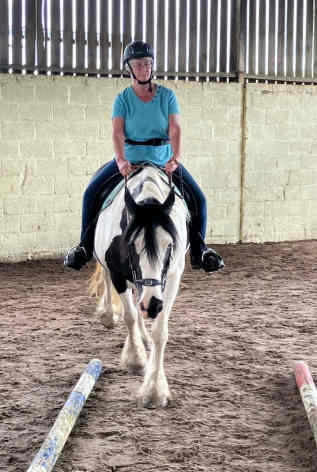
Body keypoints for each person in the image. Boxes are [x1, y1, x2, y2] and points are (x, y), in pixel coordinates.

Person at [64, 40, 224, 273]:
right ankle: (84, 248)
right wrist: (120, 160)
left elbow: (175, 129)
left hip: (163, 161)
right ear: (129, 68)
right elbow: (118, 132)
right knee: (90, 193)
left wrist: (175, 158)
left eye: (147, 64)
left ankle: (200, 250)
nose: (144, 69)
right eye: (138, 65)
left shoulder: (167, 96)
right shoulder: (123, 99)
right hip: (130, 161)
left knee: (199, 199)